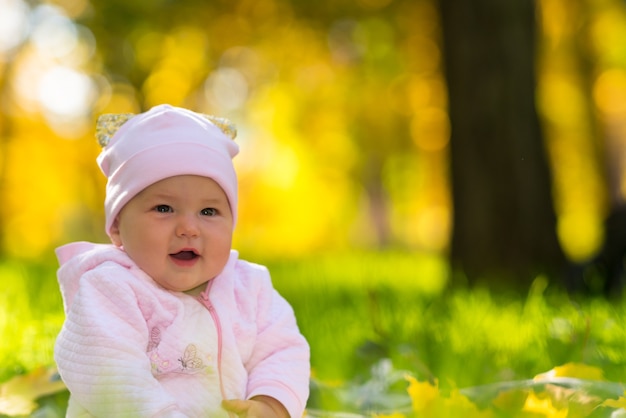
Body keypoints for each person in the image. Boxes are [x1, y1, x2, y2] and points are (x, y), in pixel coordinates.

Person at [54, 104, 310, 417]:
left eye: (209, 212)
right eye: (164, 208)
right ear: (118, 225)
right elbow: (111, 371)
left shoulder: (250, 287)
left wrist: (270, 404)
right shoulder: (110, 288)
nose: (189, 228)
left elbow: (281, 350)